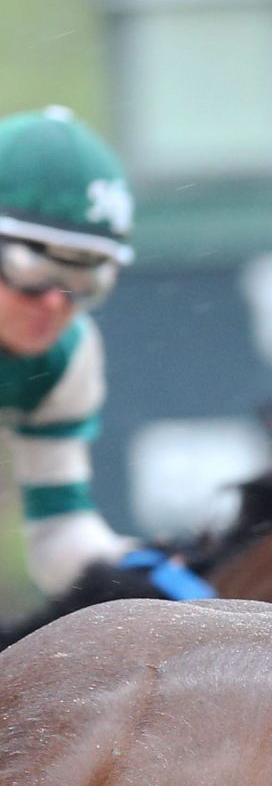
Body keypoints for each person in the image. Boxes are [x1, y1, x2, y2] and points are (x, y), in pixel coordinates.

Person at [0, 107, 213, 607]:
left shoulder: (69, 354)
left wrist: (129, 572)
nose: (55, 303)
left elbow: (58, 533)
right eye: (32, 271)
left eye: (83, 282)